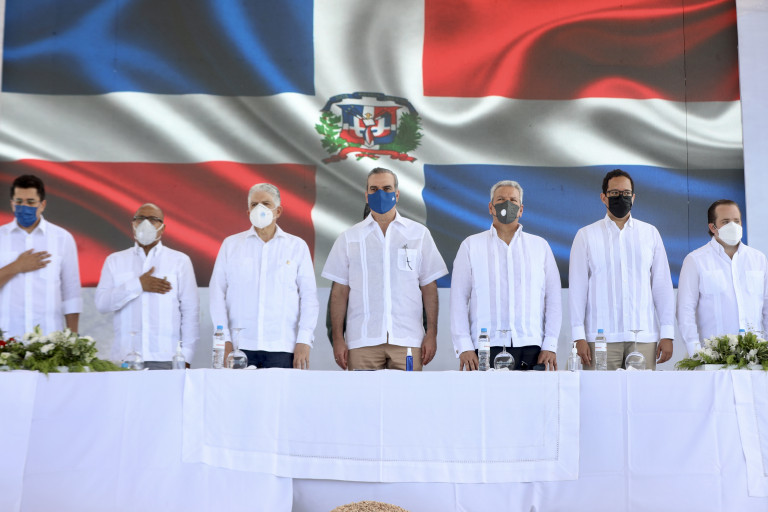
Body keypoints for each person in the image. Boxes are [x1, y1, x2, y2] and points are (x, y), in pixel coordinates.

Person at [322, 167, 448, 371]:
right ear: (366, 195)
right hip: (362, 340)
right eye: (374, 189)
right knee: (362, 393)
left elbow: (429, 287)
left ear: (397, 195)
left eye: (387, 188)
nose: (380, 194)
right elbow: (339, 292)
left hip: (407, 340)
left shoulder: (418, 234)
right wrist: (338, 338)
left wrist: (431, 333)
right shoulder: (349, 238)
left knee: (406, 393)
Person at [569, 169, 674, 370]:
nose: (621, 197)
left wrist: (667, 334)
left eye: (626, 193)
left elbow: (662, 286)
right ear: (603, 197)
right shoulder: (586, 235)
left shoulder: (650, 233)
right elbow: (577, 289)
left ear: (633, 197)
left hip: (643, 336)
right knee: (601, 391)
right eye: (614, 193)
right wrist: (578, 336)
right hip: (600, 338)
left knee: (642, 390)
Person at [451, 180, 561, 371]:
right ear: (491, 208)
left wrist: (550, 345)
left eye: (513, 200)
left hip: (531, 346)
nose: (507, 204)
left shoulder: (539, 246)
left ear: (521, 209)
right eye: (501, 200)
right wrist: (464, 346)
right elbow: (458, 299)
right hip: (485, 347)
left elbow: (553, 299)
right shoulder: (471, 245)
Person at [209, 183, 318, 369]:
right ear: (248, 212)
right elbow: (216, 295)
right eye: (254, 204)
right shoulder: (231, 245)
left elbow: (309, 298)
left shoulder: (297, 247)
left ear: (278, 211)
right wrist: (224, 340)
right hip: (239, 347)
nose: (259, 208)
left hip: (283, 347)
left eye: (266, 204)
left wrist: (304, 341)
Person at [94, 203, 199, 369]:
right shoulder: (115, 260)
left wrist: (187, 355)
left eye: (153, 219)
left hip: (166, 357)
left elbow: (190, 311)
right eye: (140, 218)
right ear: (133, 225)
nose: (146, 224)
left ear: (162, 228)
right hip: (124, 357)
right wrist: (138, 284)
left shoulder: (179, 261)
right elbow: (102, 304)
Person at [677, 199, 768, 355]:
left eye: (736, 221)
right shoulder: (696, 260)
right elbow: (685, 310)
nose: (733, 226)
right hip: (713, 356)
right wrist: (696, 352)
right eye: (726, 222)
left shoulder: (758, 259)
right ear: (713, 227)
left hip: (756, 355)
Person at [0, 174, 81, 337]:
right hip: (6, 338)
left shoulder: (62, 238)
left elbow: (71, 294)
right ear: (12, 204)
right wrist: (16, 267)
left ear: (42, 205)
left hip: (49, 340)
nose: (24, 207)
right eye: (19, 201)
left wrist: (73, 339)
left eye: (31, 202)